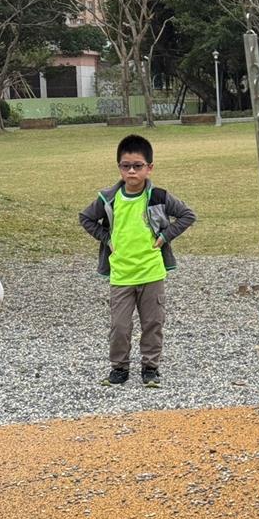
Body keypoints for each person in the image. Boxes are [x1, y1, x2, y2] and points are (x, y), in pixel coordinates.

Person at [79, 134, 196, 388]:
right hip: (121, 275)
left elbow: (187, 215)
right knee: (120, 326)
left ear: (149, 168)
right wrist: (106, 238)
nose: (131, 171)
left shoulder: (159, 196)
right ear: (119, 167)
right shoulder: (109, 198)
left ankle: (150, 368)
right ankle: (119, 367)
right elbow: (86, 218)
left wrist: (164, 236)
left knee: (153, 323)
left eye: (137, 165)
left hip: (152, 273)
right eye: (126, 165)